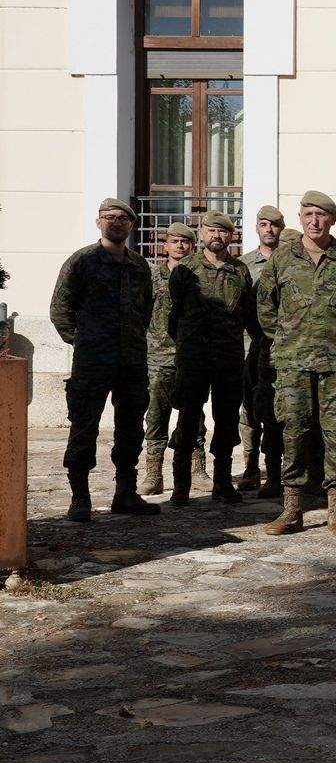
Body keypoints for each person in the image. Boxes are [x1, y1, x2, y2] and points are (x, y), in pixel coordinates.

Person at [257, 191, 336, 537]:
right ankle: (292, 509)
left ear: (333, 220)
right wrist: (289, 339)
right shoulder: (282, 259)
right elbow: (265, 308)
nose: (315, 221)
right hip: (293, 363)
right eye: (308, 214)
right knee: (294, 431)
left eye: (322, 215)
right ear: (300, 217)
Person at [50, 198, 161, 521]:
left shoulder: (139, 267)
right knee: (84, 426)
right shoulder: (82, 261)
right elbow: (60, 310)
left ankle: (125, 492)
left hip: (131, 361)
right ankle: (79, 497)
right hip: (92, 362)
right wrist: (83, 341)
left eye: (123, 219)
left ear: (130, 226)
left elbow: (146, 310)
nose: (116, 223)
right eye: (109, 217)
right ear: (98, 222)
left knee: (130, 428)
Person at [168, 210, 254, 507]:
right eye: (211, 231)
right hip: (193, 360)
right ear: (202, 233)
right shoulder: (185, 269)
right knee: (188, 421)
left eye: (223, 232)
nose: (217, 236)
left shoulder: (240, 271)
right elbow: (172, 316)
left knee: (227, 421)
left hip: (229, 360)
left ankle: (222, 483)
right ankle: (181, 486)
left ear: (231, 236)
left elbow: (248, 315)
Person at [142, 222, 197, 497]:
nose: (180, 246)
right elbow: (141, 314)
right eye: (174, 241)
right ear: (165, 246)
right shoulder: (152, 277)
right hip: (159, 356)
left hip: (190, 357)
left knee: (192, 417)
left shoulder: (198, 276)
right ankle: (154, 471)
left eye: (185, 242)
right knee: (156, 415)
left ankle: (195, 469)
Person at [238, 206, 285, 499]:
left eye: (275, 225)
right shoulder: (244, 265)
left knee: (276, 411)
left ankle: (274, 472)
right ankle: (250, 466)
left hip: (282, 349)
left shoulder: (290, 261)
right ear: (257, 227)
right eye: (264, 224)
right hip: (249, 348)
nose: (269, 230)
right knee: (249, 411)